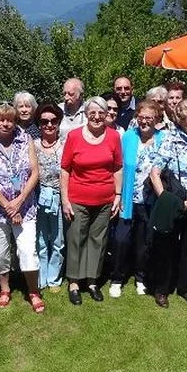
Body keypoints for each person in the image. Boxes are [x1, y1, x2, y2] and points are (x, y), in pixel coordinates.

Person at [0, 103, 45, 313]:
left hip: (25, 208)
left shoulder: (26, 140)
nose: (5, 123)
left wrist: (19, 201)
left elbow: (35, 172)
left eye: (10, 119)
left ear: (15, 121)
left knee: (27, 250)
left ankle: (33, 291)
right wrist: (8, 206)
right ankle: (4, 289)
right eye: (1, 119)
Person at [60, 96, 123, 304]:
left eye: (101, 113)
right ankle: (74, 282)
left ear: (106, 115)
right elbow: (65, 168)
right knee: (76, 239)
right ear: (86, 114)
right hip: (78, 197)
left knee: (98, 240)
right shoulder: (74, 136)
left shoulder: (113, 136)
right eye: (92, 113)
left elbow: (117, 167)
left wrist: (118, 195)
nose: (97, 117)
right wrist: (65, 199)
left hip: (105, 199)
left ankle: (92, 281)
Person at [149, 99, 187, 307]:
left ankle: (185, 287)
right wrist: (165, 199)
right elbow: (155, 172)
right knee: (165, 246)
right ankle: (162, 289)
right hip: (173, 199)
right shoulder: (169, 140)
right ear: (180, 119)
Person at [109, 100, 164, 297]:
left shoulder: (163, 138)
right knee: (121, 240)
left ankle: (141, 277)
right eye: (141, 117)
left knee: (144, 243)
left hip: (151, 201)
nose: (144, 121)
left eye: (149, 118)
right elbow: (119, 166)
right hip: (128, 198)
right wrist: (118, 193)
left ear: (156, 119)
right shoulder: (129, 137)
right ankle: (116, 278)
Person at [34, 103, 66, 292]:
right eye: (45, 121)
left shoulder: (65, 144)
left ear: (59, 122)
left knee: (57, 240)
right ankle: (41, 276)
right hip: (38, 197)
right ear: (39, 123)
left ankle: (54, 278)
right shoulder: (34, 145)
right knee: (40, 240)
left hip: (58, 197)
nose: (49, 125)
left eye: (53, 121)